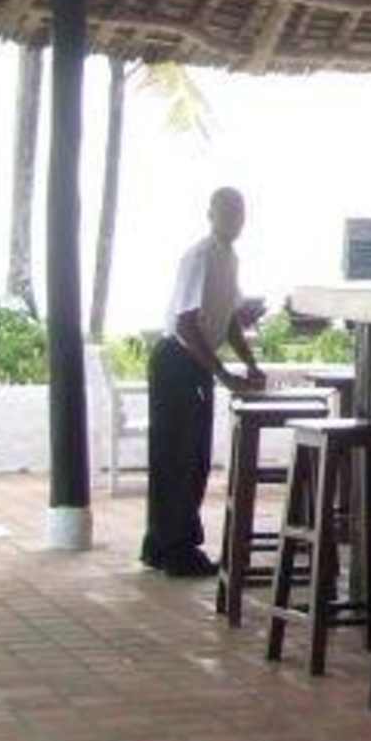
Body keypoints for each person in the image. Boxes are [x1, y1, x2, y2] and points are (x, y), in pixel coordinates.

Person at [139, 186, 267, 577]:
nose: (234, 219)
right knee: (178, 456)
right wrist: (223, 374)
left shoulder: (230, 258)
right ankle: (177, 549)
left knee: (193, 457)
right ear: (210, 214)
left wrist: (249, 363)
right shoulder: (200, 256)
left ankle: (160, 545)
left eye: (239, 213)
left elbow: (228, 321)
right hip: (177, 361)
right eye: (226, 211)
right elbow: (185, 324)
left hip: (194, 362)